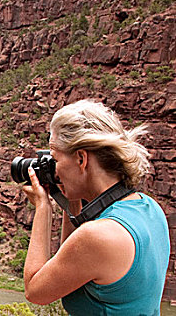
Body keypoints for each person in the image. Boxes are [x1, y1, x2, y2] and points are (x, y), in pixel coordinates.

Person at [21, 99, 170, 315]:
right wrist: (70, 201)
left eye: (55, 158)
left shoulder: (97, 237)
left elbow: (35, 291)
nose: (54, 169)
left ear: (81, 158)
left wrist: (43, 207)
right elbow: (73, 267)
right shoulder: (151, 209)